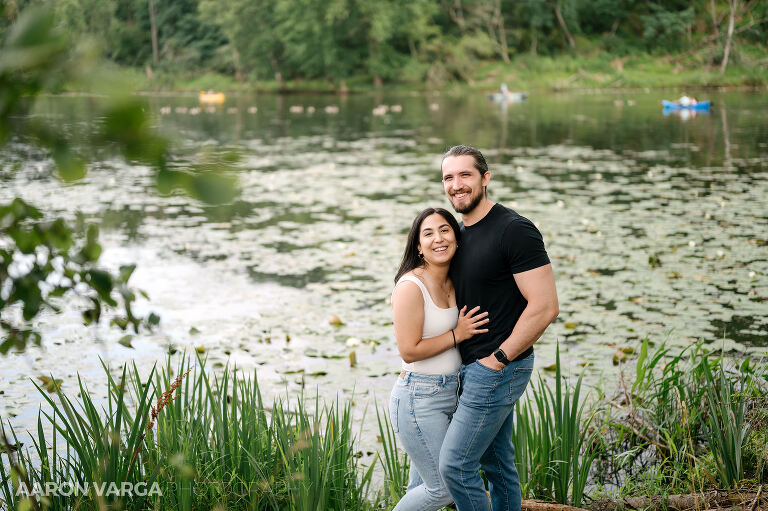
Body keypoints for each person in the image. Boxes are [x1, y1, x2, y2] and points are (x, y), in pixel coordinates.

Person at [437, 145, 559, 511]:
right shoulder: (457, 234)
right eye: (448, 177)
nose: (456, 185)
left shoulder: (514, 230)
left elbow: (546, 306)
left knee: (455, 466)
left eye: (465, 175)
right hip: (470, 365)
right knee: (497, 465)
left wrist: (500, 358)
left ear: (485, 178)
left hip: (498, 366)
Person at [389, 207, 490, 511]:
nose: (438, 239)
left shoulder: (454, 280)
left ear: (457, 238)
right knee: (443, 489)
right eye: (428, 233)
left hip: (451, 393)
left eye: (445, 230)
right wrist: (458, 334)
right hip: (419, 398)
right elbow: (409, 350)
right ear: (418, 246)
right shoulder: (411, 286)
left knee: (422, 486)